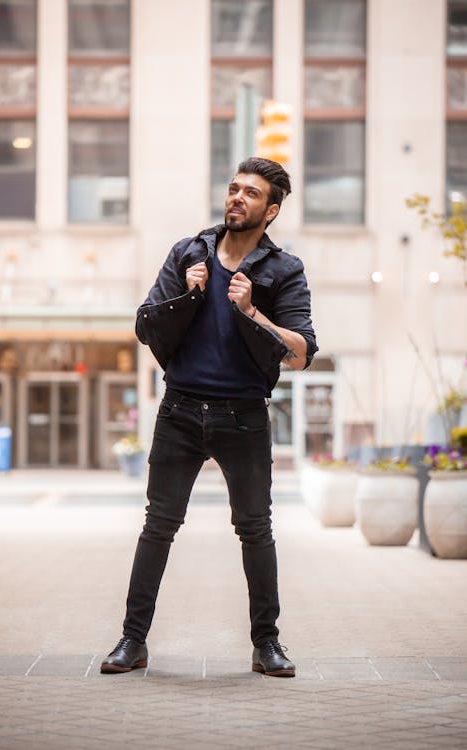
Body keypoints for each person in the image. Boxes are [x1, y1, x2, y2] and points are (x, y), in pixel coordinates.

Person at [101, 157, 318, 678]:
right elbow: (143, 324)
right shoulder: (188, 252)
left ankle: (267, 644)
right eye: (233, 188)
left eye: (250, 193)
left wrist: (251, 311)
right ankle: (132, 641)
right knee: (158, 526)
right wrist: (186, 295)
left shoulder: (284, 270)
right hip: (179, 410)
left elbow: (302, 351)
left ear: (272, 210)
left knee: (255, 530)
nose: (237, 197)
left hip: (244, 416)